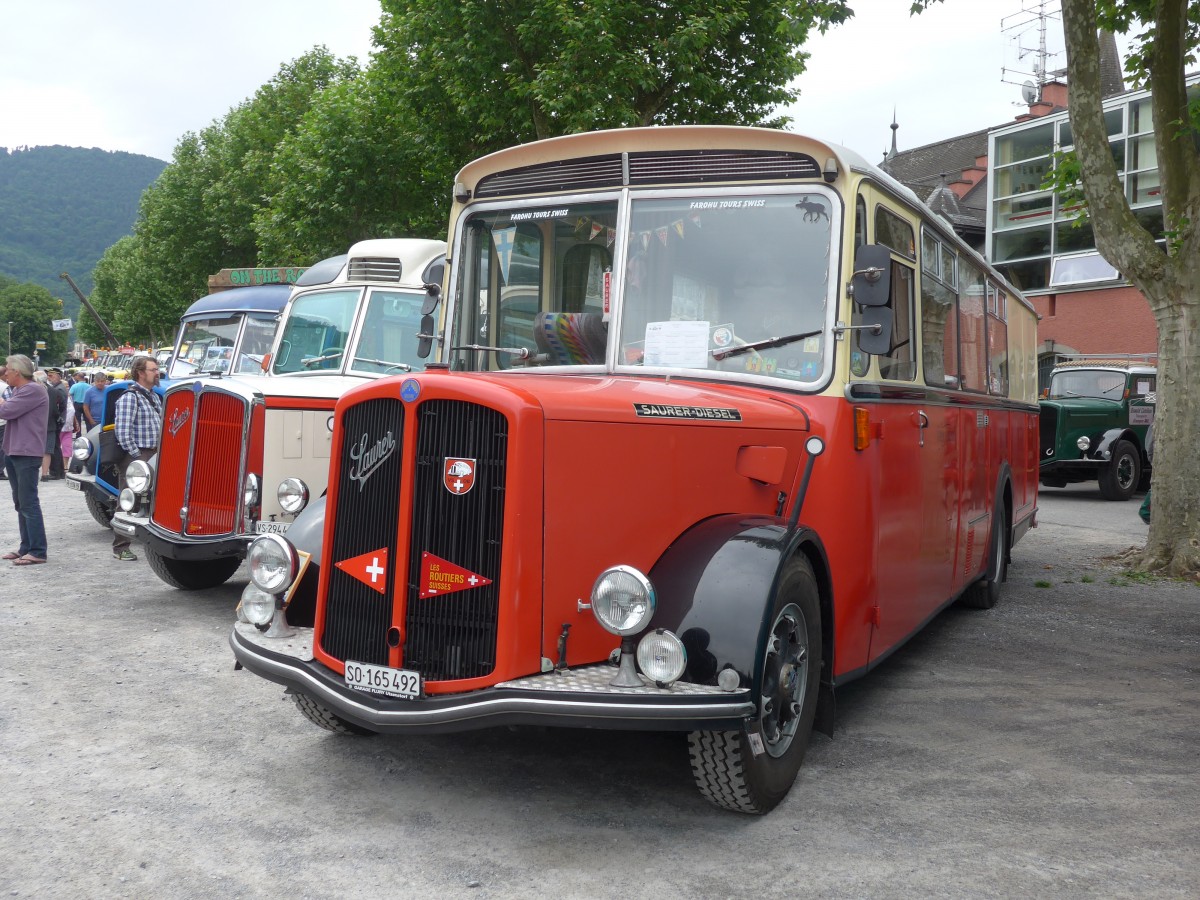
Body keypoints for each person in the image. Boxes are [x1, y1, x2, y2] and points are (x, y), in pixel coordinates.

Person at [111, 355, 162, 561]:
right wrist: (137, 457)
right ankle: (120, 548)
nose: (157, 373)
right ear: (141, 373)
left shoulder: (153, 396)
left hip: (153, 454)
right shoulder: (129, 397)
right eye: (153, 369)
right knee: (127, 500)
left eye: (157, 369)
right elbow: (122, 432)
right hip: (138, 456)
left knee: (154, 500)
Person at [0, 355, 50, 565]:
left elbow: (5, 411)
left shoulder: (33, 389)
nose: (5, 374)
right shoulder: (21, 390)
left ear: (17, 372)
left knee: (28, 503)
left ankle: (38, 550)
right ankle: (26, 547)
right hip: (15, 451)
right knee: (21, 503)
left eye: (7, 370)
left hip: (26, 453)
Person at [41, 368, 68, 480]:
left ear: (59, 376)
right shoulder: (55, 388)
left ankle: (56, 471)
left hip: (53, 422)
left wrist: (59, 418)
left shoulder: (58, 389)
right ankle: (58, 471)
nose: (49, 378)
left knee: (53, 448)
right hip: (53, 422)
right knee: (54, 447)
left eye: (52, 376)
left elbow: (60, 407)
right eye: (49, 375)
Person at [68, 371, 90, 437]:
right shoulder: (89, 386)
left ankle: (78, 434)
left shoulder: (75, 386)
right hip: (86, 404)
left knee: (78, 420)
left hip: (77, 404)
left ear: (78, 377)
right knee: (87, 420)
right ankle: (89, 434)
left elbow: (69, 394)